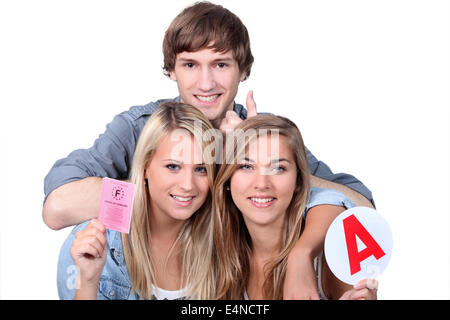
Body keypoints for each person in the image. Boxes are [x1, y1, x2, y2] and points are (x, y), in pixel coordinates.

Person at [45, 2, 374, 299]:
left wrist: (254, 163)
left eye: (220, 65)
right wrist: (164, 191)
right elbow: (58, 206)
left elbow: (359, 207)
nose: (205, 84)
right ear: (171, 69)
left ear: (242, 71)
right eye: (190, 65)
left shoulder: (260, 134)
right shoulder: (138, 127)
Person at [58, 102, 217, 299]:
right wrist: (87, 283)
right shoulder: (94, 243)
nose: (187, 185)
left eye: (201, 169)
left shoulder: (220, 238)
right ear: (144, 168)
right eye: (173, 167)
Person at [213, 114, 378, 300]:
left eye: (278, 168)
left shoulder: (331, 260)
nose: (261, 184)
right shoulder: (220, 253)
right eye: (246, 166)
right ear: (227, 179)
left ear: (299, 180)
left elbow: (347, 205)